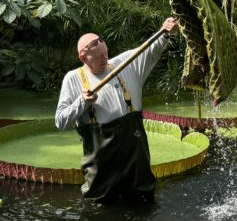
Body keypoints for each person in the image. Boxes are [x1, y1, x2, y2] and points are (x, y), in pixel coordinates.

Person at [55, 17, 178, 202]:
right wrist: (82, 102)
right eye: (99, 57)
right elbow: (60, 121)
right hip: (102, 169)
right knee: (100, 212)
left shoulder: (124, 64)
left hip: (136, 162)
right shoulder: (73, 79)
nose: (105, 59)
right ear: (83, 57)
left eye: (106, 53)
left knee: (143, 203)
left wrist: (166, 31)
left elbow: (151, 48)